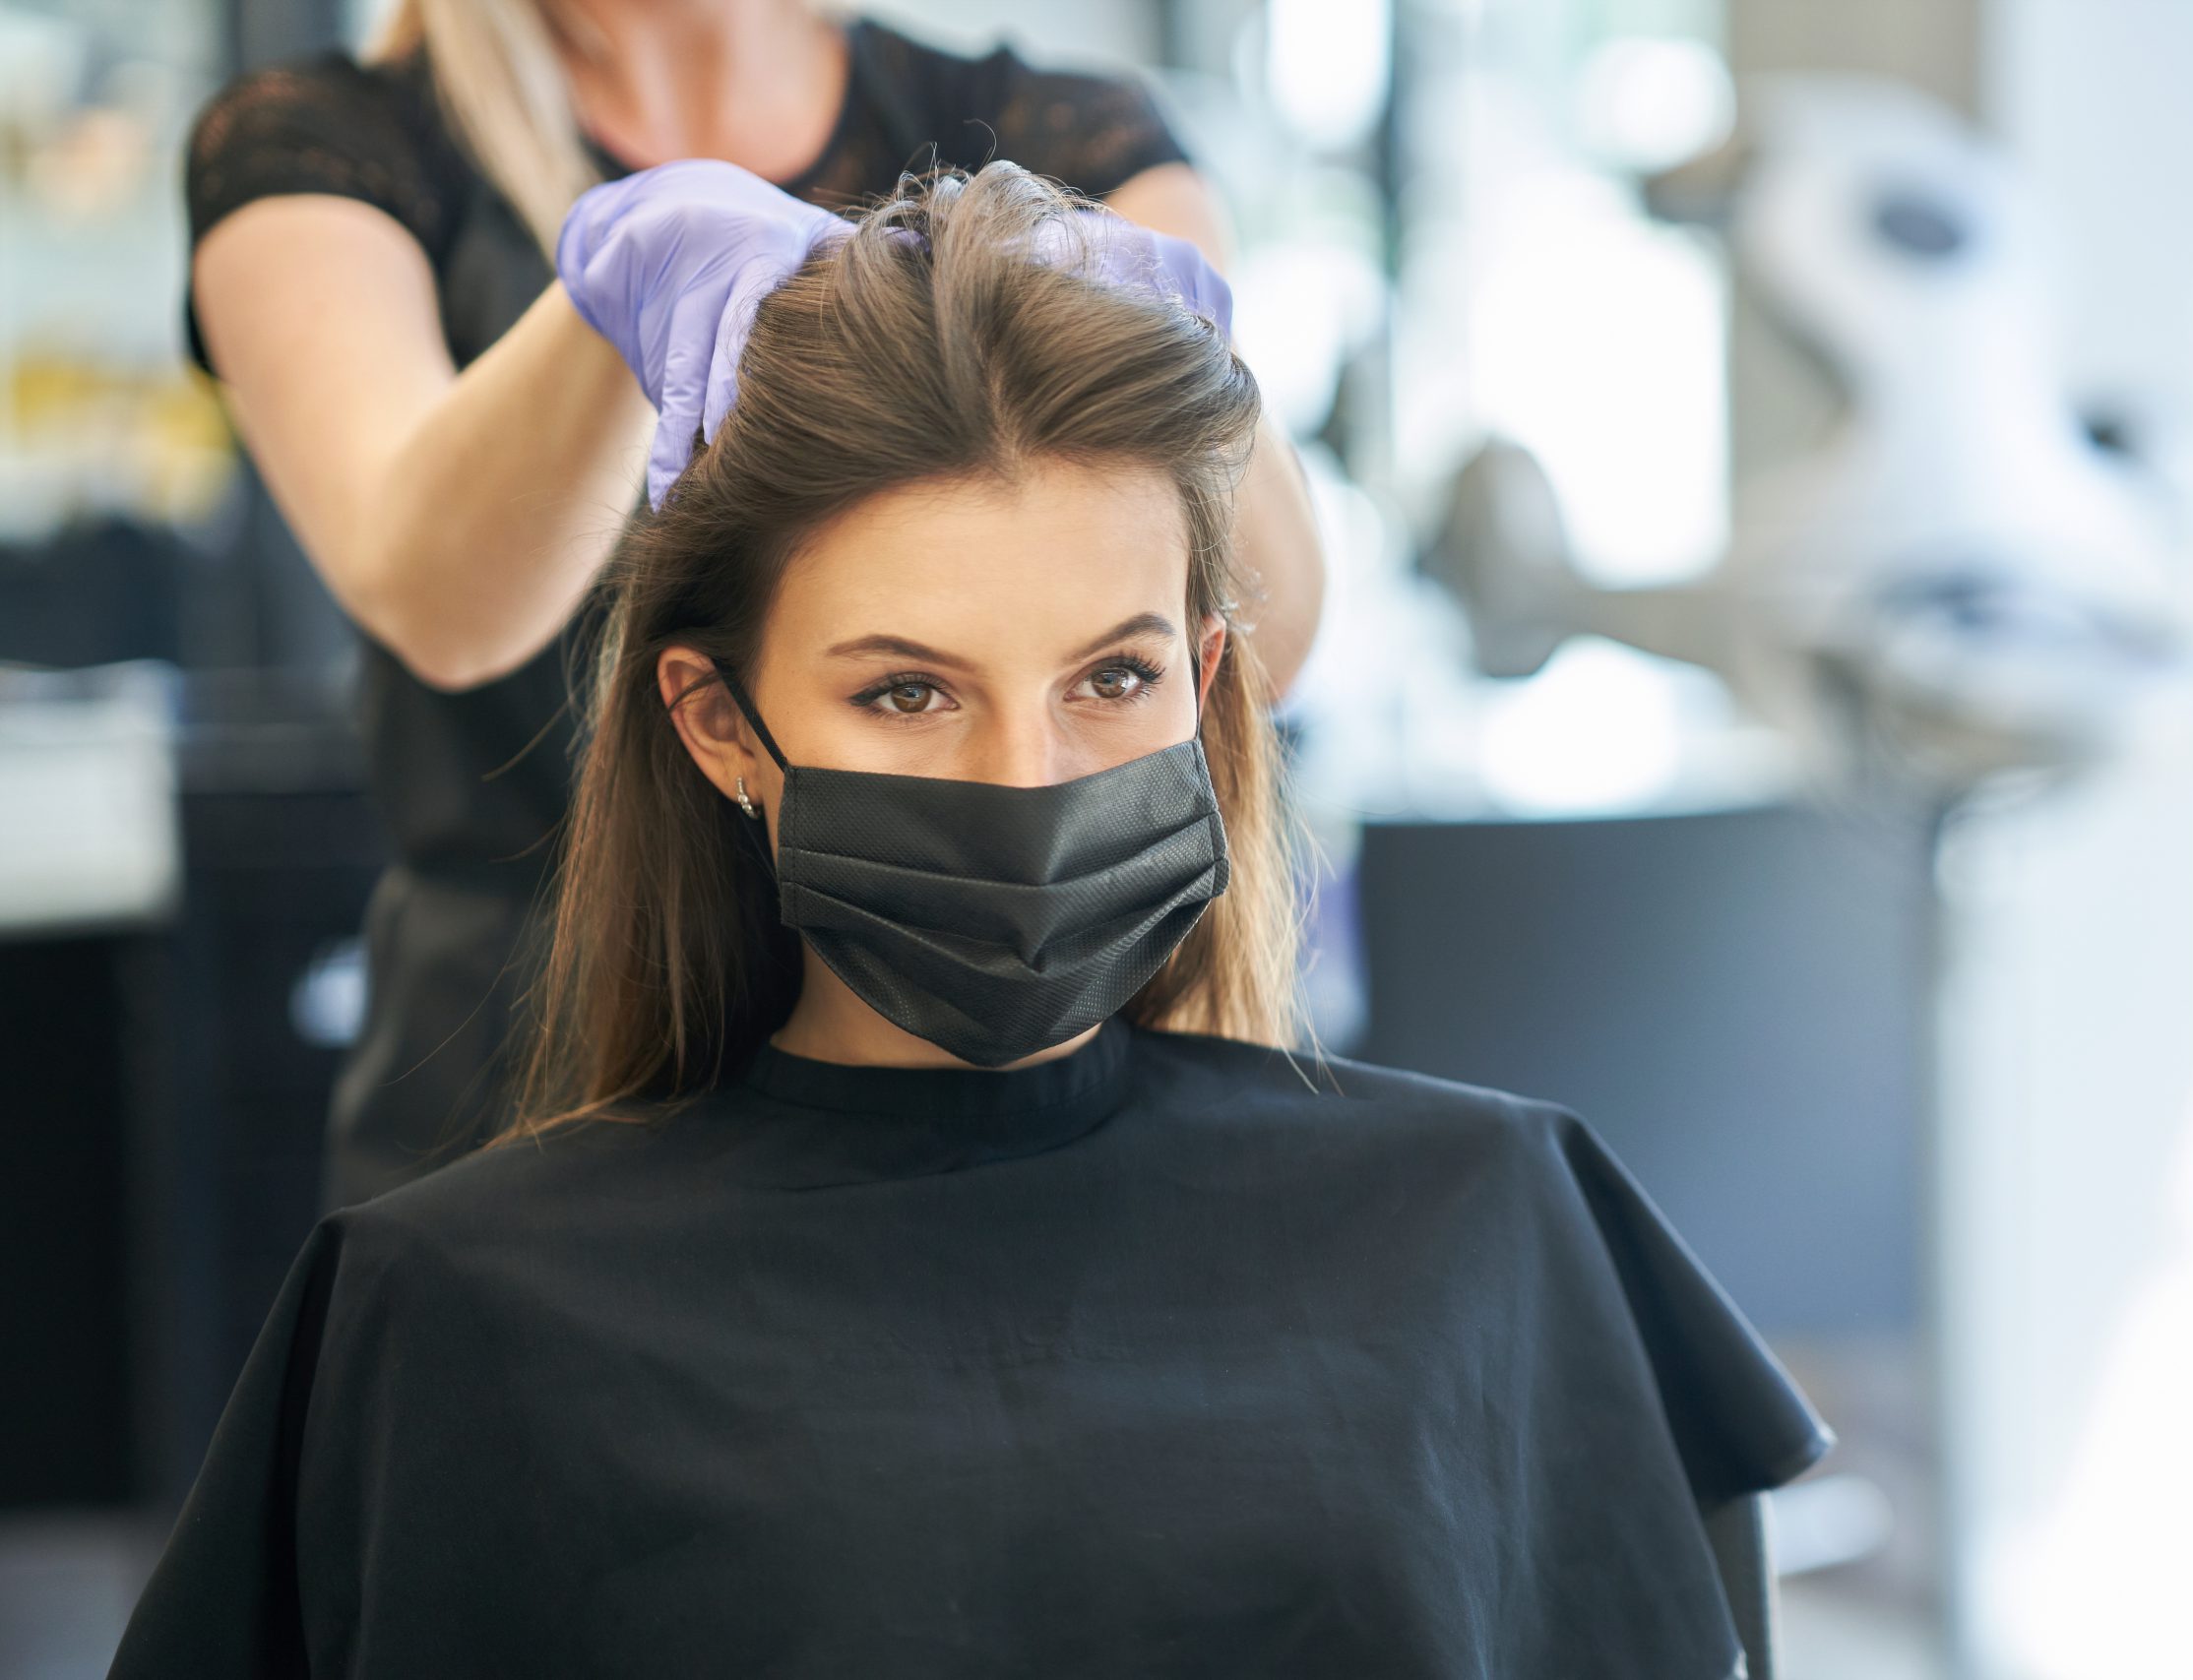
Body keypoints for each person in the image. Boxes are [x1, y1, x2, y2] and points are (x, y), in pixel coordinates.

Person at [112, 163, 1830, 1679]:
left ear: (1208, 677)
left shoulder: (1489, 1225)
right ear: (719, 724)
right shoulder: (465, 1311)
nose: (1030, 776)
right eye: (910, 693)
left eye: (1114, 675)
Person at [184, 0, 1327, 1207]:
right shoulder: (326, 148)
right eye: (906, 687)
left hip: (1040, 1044)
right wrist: (609, 306)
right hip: (538, 1058)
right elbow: (436, 604)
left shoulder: (1067, 135)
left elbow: (1268, 636)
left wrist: (1192, 368)